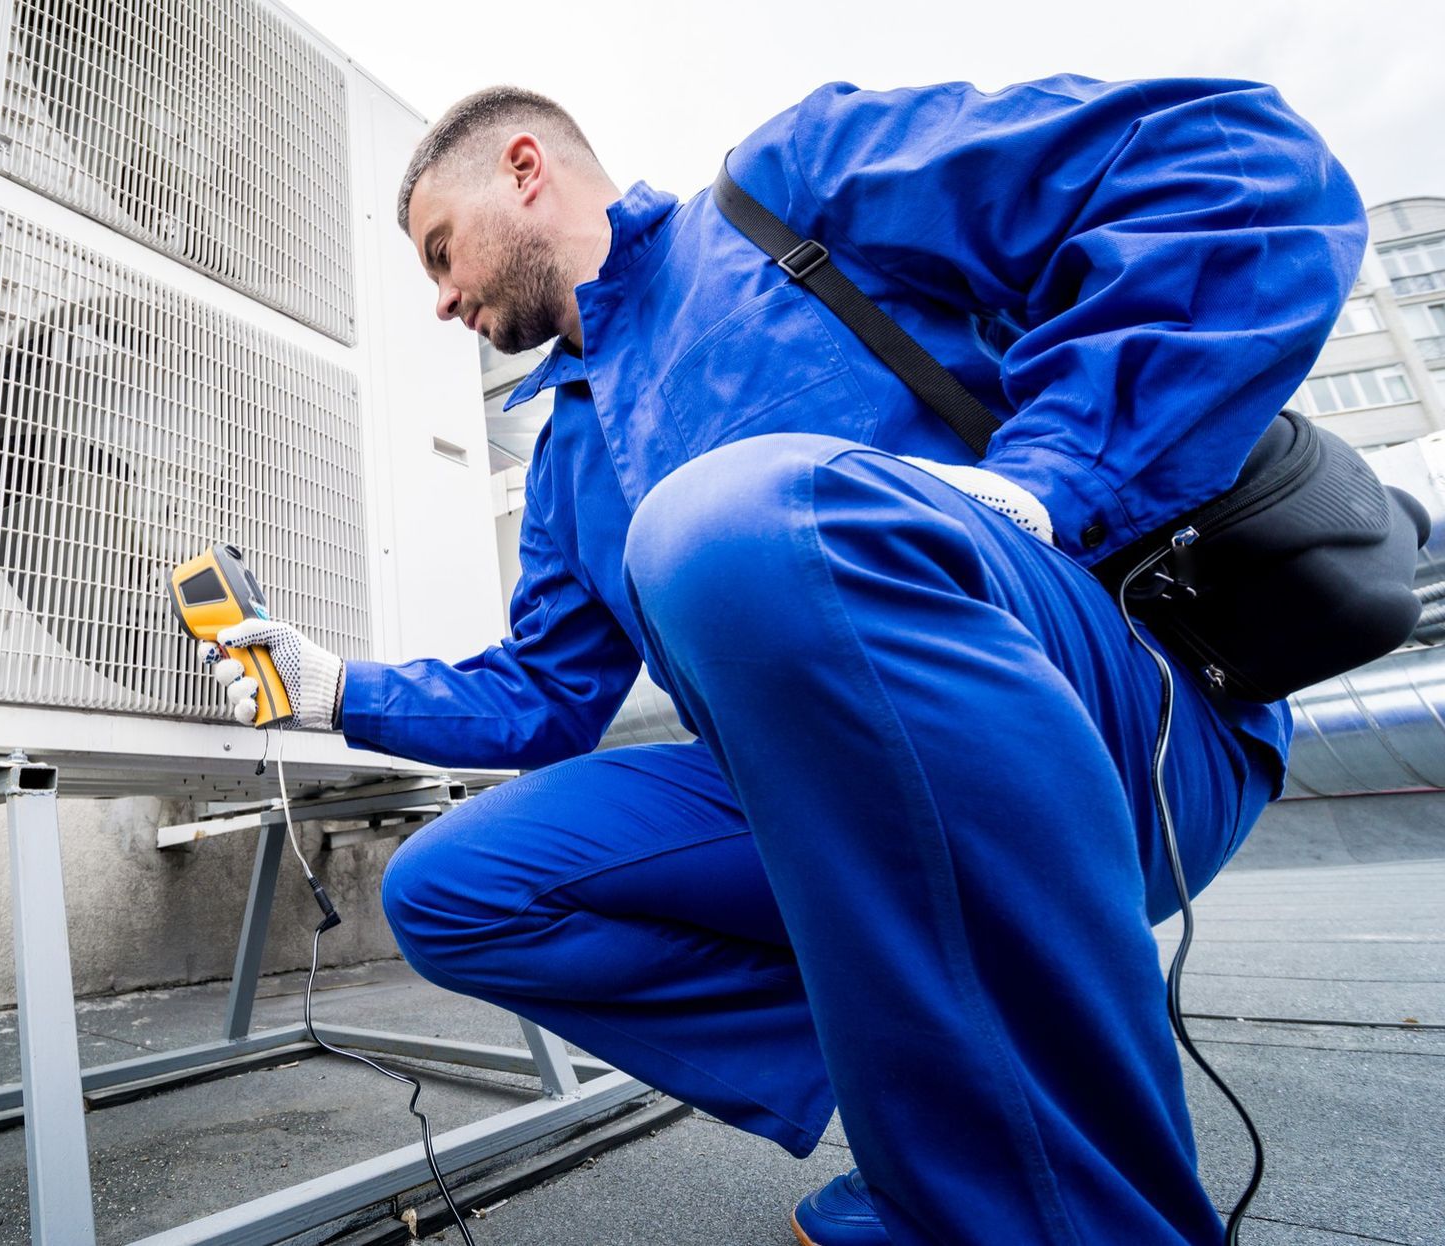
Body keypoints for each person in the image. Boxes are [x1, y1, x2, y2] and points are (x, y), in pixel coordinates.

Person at [208, 76, 1365, 1244]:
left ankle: (1073, 1197)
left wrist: (1046, 478)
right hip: (833, 814)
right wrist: (337, 689)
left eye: (441, 252)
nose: (445, 298)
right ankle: (936, 1108)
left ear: (523, 168)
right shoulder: (567, 458)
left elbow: (1233, 165)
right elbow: (543, 695)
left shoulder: (790, 190)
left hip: (1109, 708)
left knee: (734, 519)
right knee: (456, 889)